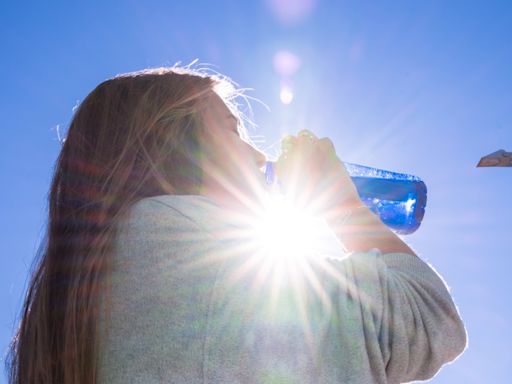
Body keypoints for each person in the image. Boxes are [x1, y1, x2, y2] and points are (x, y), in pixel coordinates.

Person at [6, 67, 467, 384]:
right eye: (232, 129)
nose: (258, 154)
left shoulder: (101, 273)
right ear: (172, 140)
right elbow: (427, 322)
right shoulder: (181, 238)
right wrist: (339, 202)